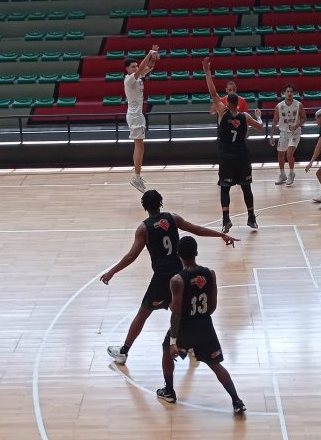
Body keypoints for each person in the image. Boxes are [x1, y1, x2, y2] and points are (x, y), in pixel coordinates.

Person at [102, 189, 238, 365]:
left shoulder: (144, 228)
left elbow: (131, 256)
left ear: (144, 207)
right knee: (184, 311)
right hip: (181, 274)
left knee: (144, 313)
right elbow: (196, 229)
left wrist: (112, 271)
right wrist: (221, 234)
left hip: (162, 278)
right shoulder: (173, 218)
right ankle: (191, 345)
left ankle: (124, 351)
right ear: (161, 203)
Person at [157, 236, 246, 415]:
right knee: (216, 365)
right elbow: (213, 306)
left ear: (178, 254)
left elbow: (176, 313)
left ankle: (169, 391)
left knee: (167, 351)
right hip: (206, 326)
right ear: (196, 252)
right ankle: (236, 401)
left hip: (184, 328)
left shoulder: (177, 280)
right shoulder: (210, 274)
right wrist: (201, 317)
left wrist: (174, 341)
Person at [203, 58, 264, 232]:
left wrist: (207, 72)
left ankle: (226, 220)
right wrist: (259, 117)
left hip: (227, 157)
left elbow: (213, 93)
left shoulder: (223, 113)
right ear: (237, 104)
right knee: (246, 187)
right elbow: (260, 127)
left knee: (224, 188)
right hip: (242, 156)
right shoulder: (245, 116)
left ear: (227, 103)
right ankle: (251, 218)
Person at [124, 45, 161, 192]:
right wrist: (149, 53)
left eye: (136, 66)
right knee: (139, 146)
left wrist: (153, 56)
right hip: (134, 116)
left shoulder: (137, 77)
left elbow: (150, 67)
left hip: (137, 115)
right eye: (133, 66)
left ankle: (137, 175)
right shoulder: (129, 79)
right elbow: (140, 70)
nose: (136, 68)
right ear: (127, 69)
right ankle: (137, 178)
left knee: (139, 146)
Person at [271, 84, 306, 185]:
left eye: (291, 91)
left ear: (293, 93)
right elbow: (275, 121)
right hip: (283, 133)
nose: (289, 93)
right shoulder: (279, 106)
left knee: (289, 154)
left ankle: (291, 173)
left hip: (295, 133)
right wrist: (272, 136)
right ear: (284, 93)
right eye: (287, 91)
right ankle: (282, 175)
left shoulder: (298, 105)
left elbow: (304, 118)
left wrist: (296, 125)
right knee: (280, 155)